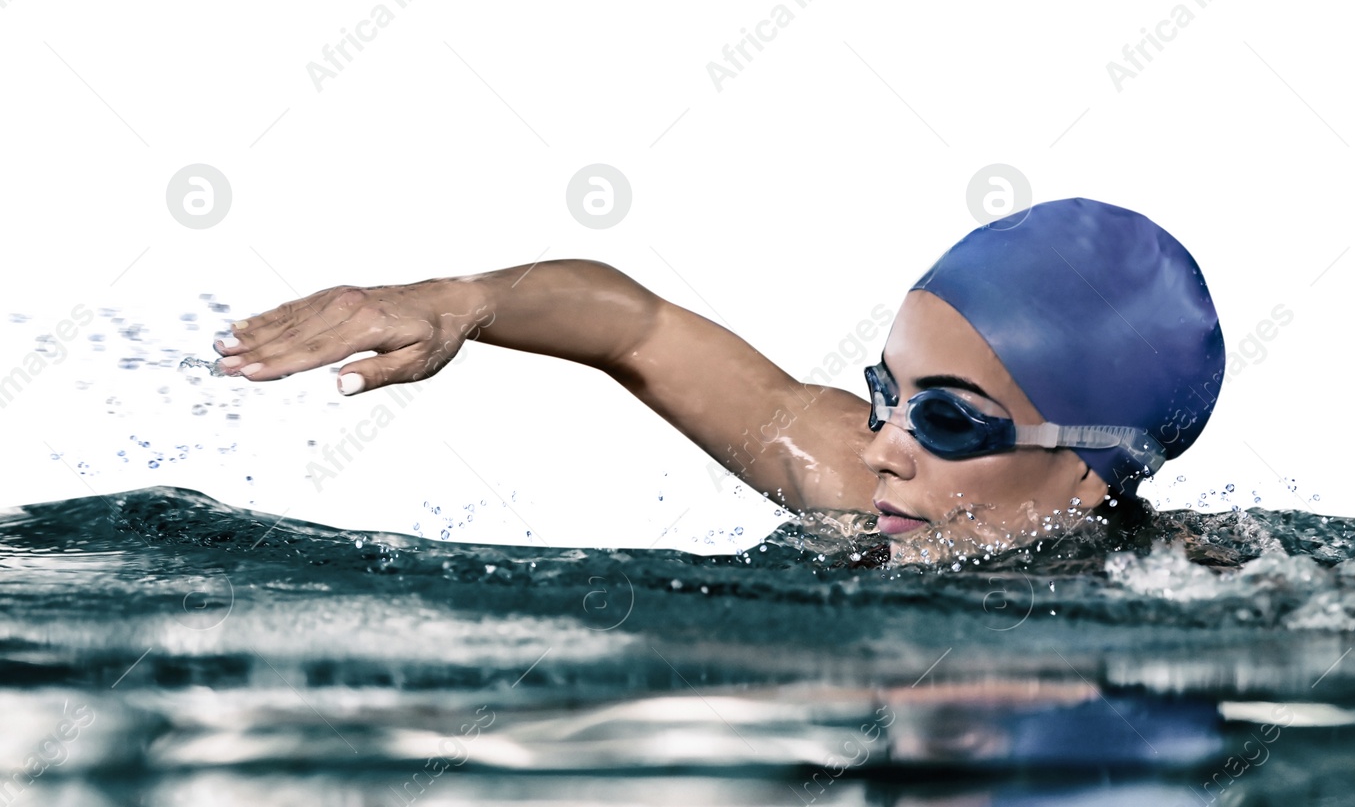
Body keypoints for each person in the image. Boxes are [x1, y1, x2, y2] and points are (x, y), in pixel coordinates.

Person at [213, 198, 1225, 565]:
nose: (879, 447)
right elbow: (638, 325)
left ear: (1092, 472)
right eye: (886, 395)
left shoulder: (1194, 603)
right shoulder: (853, 487)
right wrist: (463, 297)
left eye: (949, 420)